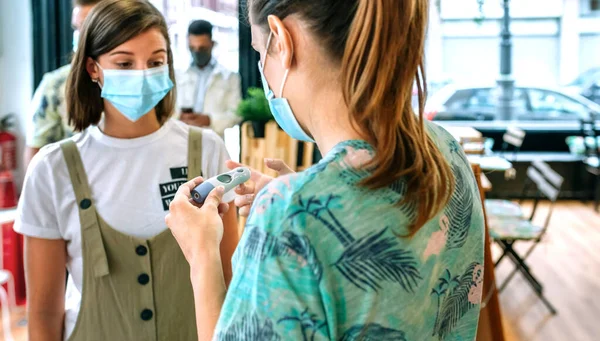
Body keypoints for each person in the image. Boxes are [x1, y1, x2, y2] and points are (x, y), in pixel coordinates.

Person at [166, 0, 486, 340]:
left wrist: (202, 253)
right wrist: (304, 195)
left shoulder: (288, 214)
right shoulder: (446, 150)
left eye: (260, 52)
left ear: (282, 39)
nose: (263, 68)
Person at [15, 1, 238, 340]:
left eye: (155, 62)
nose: (143, 73)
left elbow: (229, 281)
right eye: (124, 62)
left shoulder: (206, 150)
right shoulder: (52, 169)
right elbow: (44, 313)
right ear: (93, 68)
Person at [24, 0, 101, 169]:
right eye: (77, 28)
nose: (81, 35)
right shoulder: (55, 85)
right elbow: (35, 158)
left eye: (88, 27)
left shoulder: (140, 83)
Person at [176, 20, 242, 137]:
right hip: (182, 138)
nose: (197, 52)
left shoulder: (229, 77)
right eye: (192, 48)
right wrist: (179, 117)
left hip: (213, 139)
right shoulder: (178, 75)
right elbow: (168, 111)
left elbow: (236, 114)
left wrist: (209, 120)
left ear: (212, 44)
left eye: (202, 48)